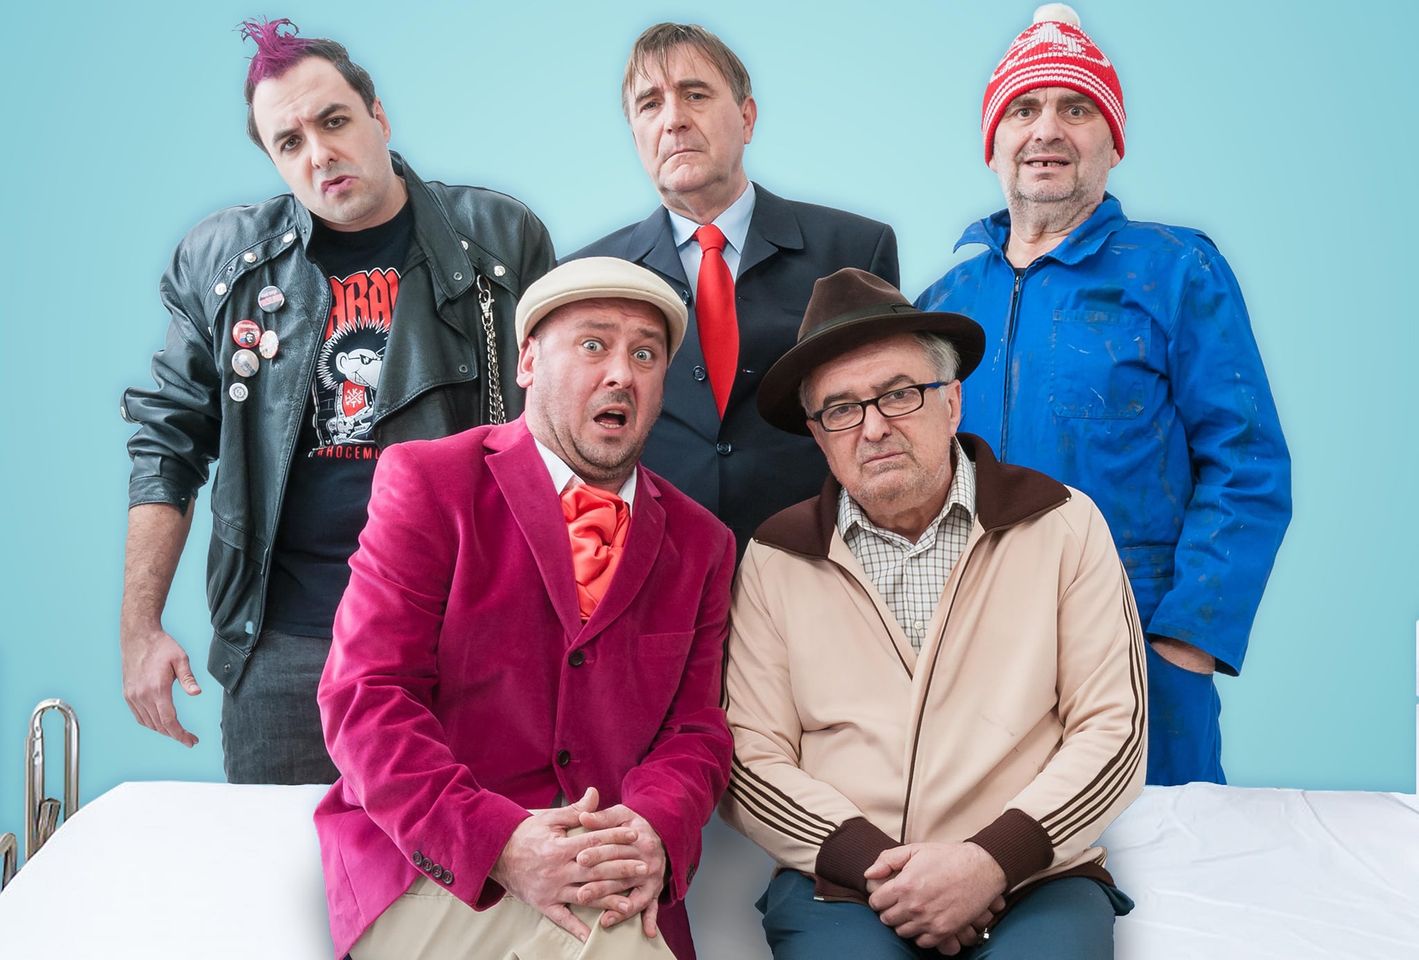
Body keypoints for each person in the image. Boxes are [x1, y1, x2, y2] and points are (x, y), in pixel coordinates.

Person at [119, 18, 554, 784]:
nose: (319, 154)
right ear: (273, 159)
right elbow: (167, 443)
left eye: (334, 121)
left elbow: (556, 433)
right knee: (286, 861)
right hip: (285, 647)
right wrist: (139, 628)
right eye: (290, 142)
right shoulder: (224, 265)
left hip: (460, 634)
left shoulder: (497, 237)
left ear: (377, 115)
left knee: (470, 855)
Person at [314, 257, 735, 960]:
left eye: (645, 355)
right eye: (593, 344)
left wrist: (653, 830)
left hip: (608, 878)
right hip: (438, 865)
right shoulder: (430, 481)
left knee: (610, 935)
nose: (621, 374)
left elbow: (695, 730)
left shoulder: (704, 543)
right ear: (529, 362)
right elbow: (366, 696)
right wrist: (499, 842)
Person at [915, 3, 1290, 785]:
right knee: (982, 851)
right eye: (1023, 109)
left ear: (1112, 143)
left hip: (1133, 640)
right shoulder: (941, 306)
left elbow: (1245, 461)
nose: (1046, 130)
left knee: (1158, 853)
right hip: (972, 654)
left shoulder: (1175, 271)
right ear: (993, 143)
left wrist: (1187, 640)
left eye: (1076, 109)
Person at [722, 268, 1145, 959]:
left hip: (1035, 874)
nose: (873, 428)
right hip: (845, 882)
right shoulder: (776, 557)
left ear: (951, 402)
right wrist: (886, 872)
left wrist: (989, 861)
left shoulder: (1063, 524)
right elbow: (748, 755)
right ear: (819, 437)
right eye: (841, 409)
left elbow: (1114, 729)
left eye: (899, 395)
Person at [569, 22, 899, 554]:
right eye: (650, 104)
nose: (674, 119)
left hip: (819, 563)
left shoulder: (854, 249)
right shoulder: (589, 276)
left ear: (747, 118)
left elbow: (884, 411)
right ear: (635, 136)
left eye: (695, 95)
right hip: (650, 570)